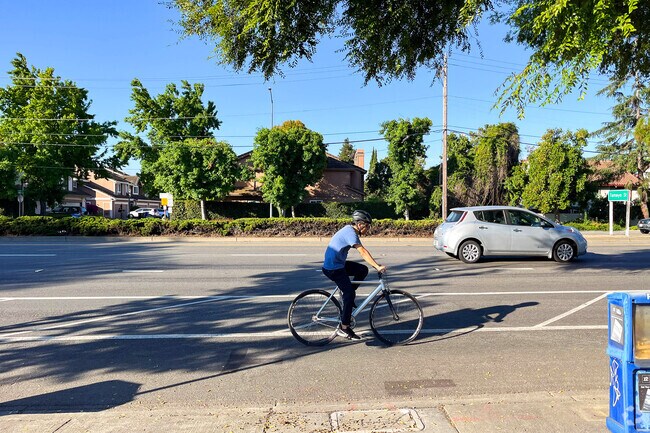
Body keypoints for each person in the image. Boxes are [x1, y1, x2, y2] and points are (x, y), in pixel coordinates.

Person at [322, 210, 386, 340]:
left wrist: (374, 265)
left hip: (337, 264)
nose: (368, 229)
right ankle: (344, 327)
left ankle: (347, 296)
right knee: (349, 293)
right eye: (367, 226)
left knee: (362, 270)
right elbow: (362, 252)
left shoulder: (349, 230)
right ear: (360, 224)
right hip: (333, 268)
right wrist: (377, 266)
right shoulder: (351, 233)